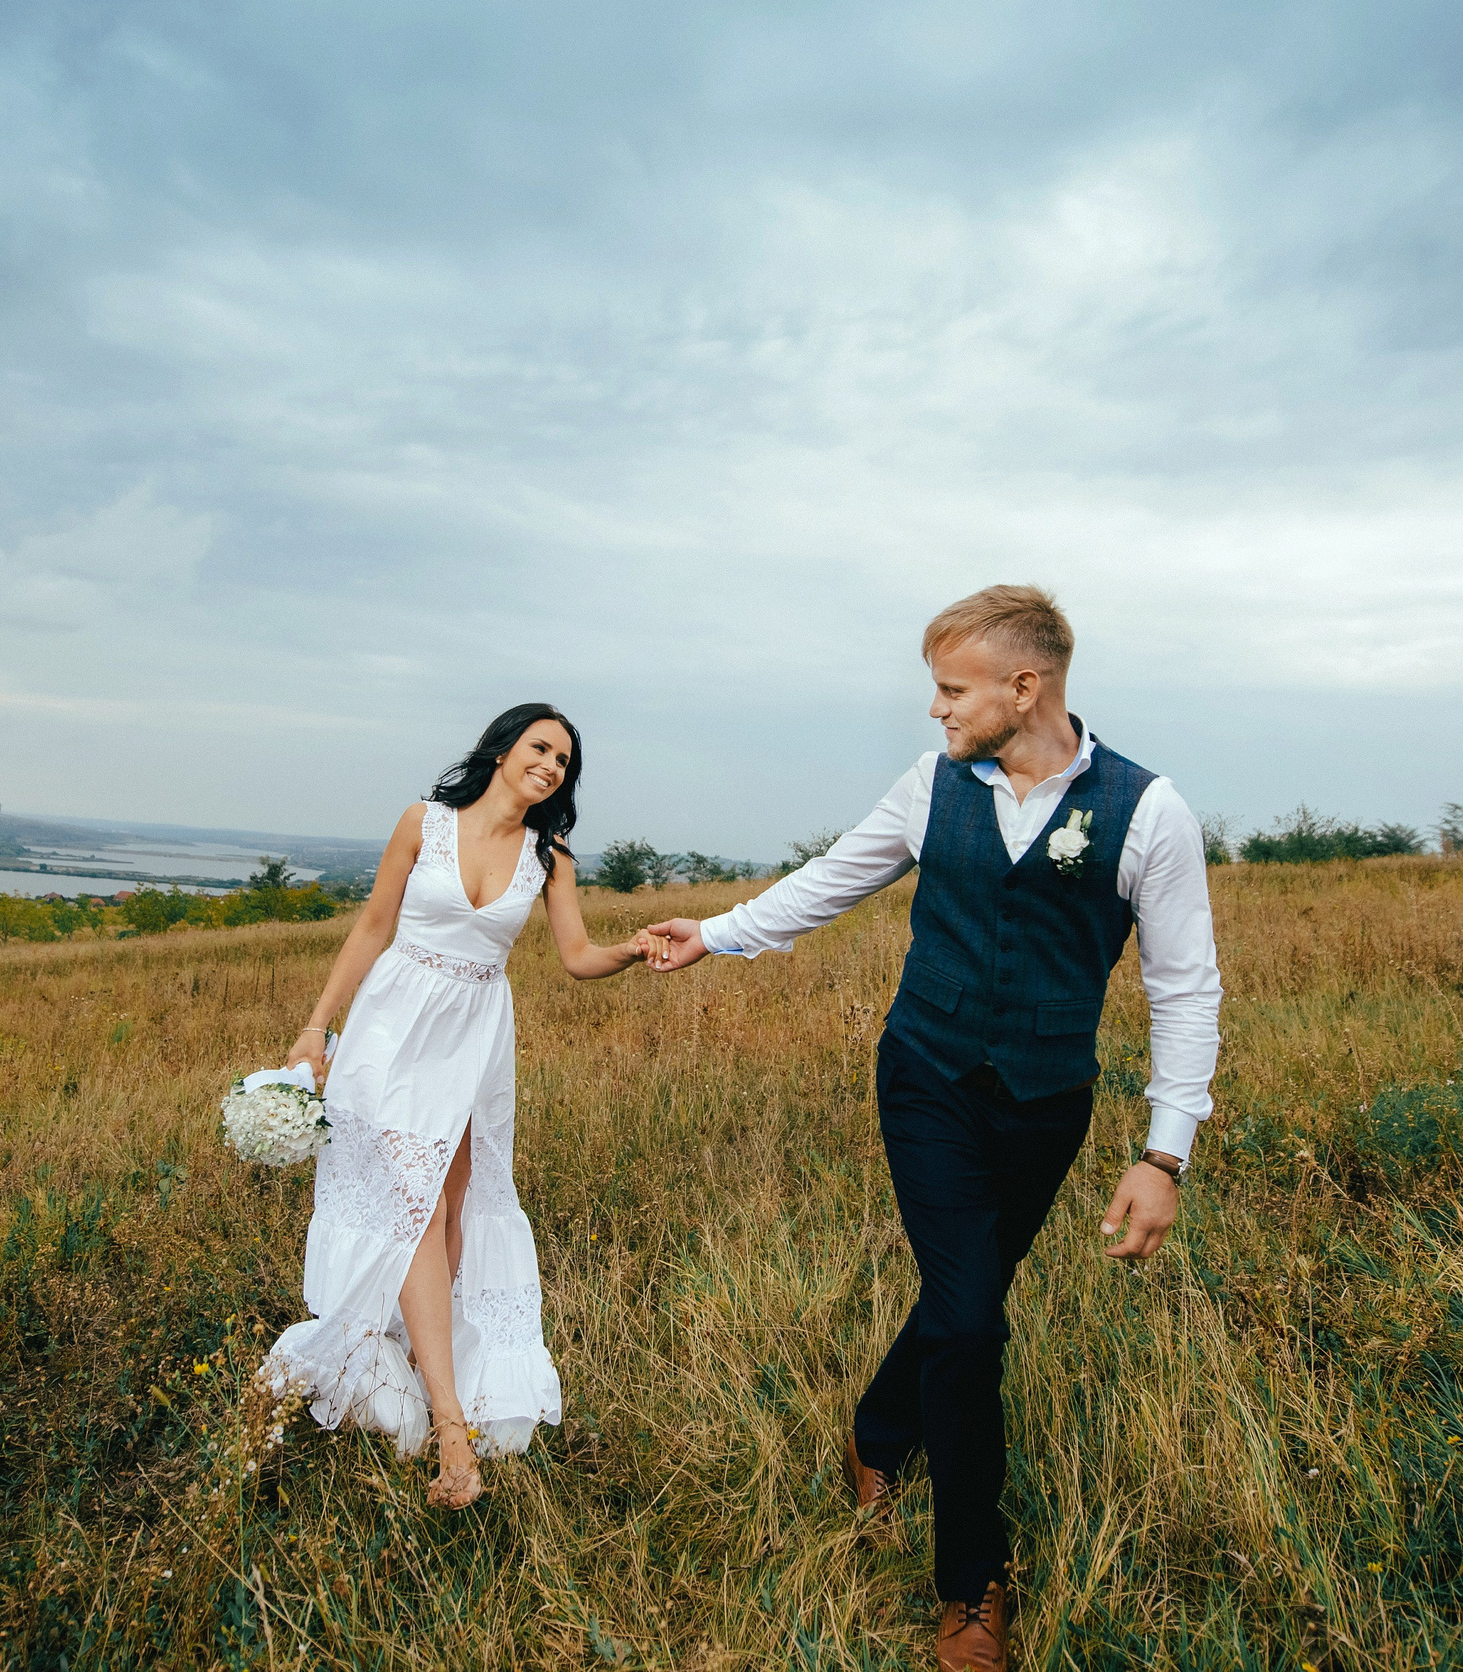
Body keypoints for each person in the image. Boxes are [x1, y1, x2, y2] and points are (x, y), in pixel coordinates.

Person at [645, 586, 1221, 1671]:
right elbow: (833, 880)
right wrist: (714, 936)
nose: (935, 710)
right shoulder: (933, 785)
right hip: (926, 1078)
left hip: (1047, 1100)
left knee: (967, 1301)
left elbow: (1185, 987)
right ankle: (971, 1583)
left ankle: (876, 1426)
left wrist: (1163, 1154)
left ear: (1025, 686)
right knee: (969, 1321)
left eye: (950, 689)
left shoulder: (1150, 813)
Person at [262, 703, 667, 1509]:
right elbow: (372, 927)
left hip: (476, 1038)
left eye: (564, 761)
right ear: (503, 747)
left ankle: (422, 1355)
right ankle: (452, 1429)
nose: (551, 765)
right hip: (392, 1030)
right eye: (540, 747)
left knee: (449, 1206)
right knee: (412, 1206)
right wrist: (316, 1029)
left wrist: (630, 951)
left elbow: (577, 956)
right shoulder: (426, 822)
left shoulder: (550, 860)